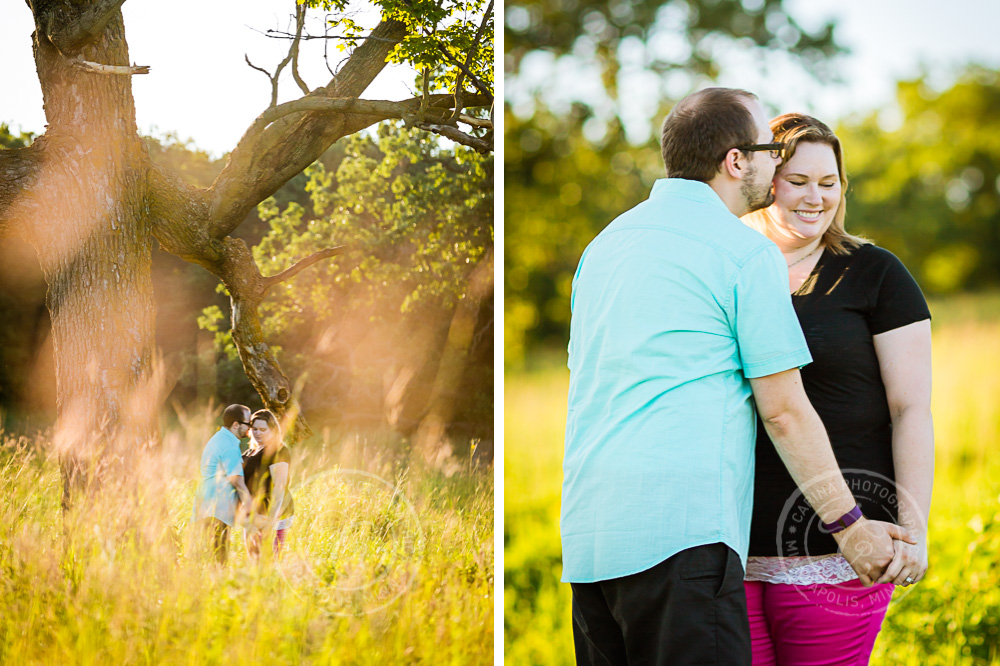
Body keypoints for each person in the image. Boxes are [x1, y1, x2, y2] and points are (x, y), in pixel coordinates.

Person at [562, 88, 913, 666]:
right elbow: (783, 409)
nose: (779, 163)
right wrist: (850, 527)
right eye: (771, 151)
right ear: (735, 161)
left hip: (589, 544)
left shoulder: (603, 248)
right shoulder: (743, 255)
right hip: (683, 544)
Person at [741, 113, 933, 665]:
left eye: (828, 183)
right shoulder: (730, 269)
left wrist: (913, 529)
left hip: (842, 545)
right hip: (730, 544)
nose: (815, 198)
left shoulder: (875, 273)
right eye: (798, 181)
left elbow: (911, 409)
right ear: (766, 180)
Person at [193, 404, 254, 564]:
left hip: (208, 504)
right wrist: (249, 504)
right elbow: (237, 480)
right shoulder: (228, 446)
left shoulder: (221, 438)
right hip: (216, 508)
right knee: (219, 558)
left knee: (211, 556)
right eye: (249, 424)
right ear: (236, 424)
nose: (250, 429)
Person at [242, 408, 295, 558]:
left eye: (263, 429)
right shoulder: (251, 451)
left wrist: (271, 520)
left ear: (273, 430)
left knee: (270, 560)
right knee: (254, 558)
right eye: (254, 429)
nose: (258, 433)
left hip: (274, 514)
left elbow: (279, 487)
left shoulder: (278, 451)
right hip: (254, 514)